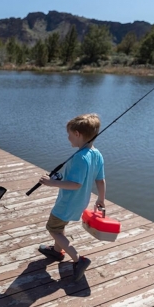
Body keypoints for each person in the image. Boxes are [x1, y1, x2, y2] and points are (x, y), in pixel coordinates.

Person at [37, 113, 106, 281]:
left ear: (77, 134)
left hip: (68, 202)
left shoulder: (80, 158)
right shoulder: (97, 154)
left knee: (53, 228)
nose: (68, 138)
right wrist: (101, 199)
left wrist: (51, 183)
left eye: (69, 134)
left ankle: (78, 259)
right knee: (60, 226)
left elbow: (76, 184)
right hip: (80, 202)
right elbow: (100, 180)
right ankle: (56, 251)